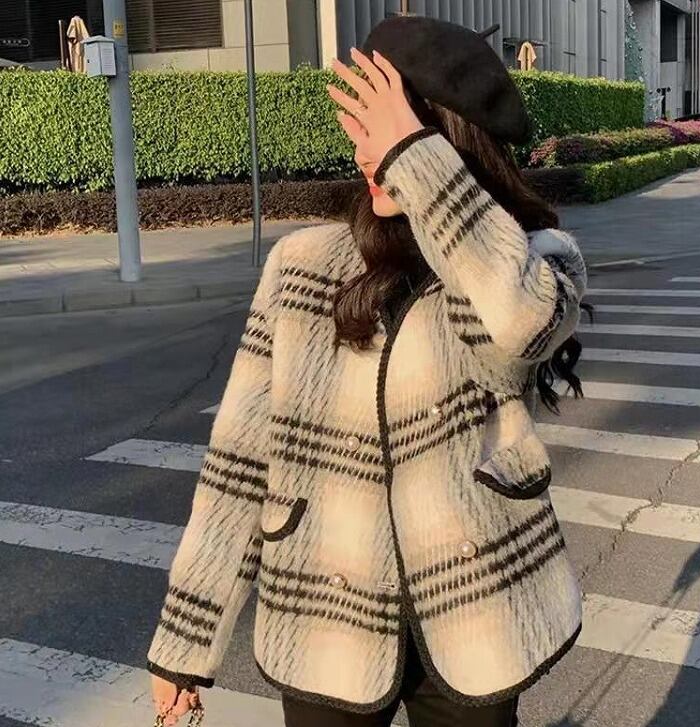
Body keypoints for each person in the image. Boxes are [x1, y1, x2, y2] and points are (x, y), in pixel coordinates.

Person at [147, 16, 588, 727]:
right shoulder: (302, 267)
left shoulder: (537, 259)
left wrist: (414, 161)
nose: (365, 155)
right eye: (358, 130)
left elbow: (521, 322)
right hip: (326, 612)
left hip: (480, 612)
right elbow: (238, 461)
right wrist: (184, 641)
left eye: (383, 133)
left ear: (448, 142)